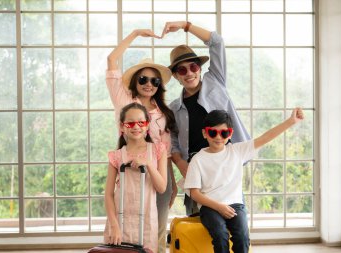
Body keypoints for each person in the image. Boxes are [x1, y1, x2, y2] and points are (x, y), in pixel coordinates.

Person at [184, 108, 304, 253]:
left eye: (224, 133)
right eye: (213, 132)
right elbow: (195, 193)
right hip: (210, 207)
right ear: (205, 133)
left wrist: (291, 121)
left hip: (235, 205)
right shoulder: (198, 160)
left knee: (242, 237)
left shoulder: (237, 151)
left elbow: (265, 138)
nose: (218, 137)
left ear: (230, 134)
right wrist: (219, 207)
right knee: (220, 235)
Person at [161, 21, 250, 215]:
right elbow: (172, 141)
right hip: (196, 168)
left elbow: (216, 42)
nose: (189, 73)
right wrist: (180, 163)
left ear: (199, 69)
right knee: (197, 223)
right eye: (182, 70)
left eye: (193, 67)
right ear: (176, 76)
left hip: (225, 163)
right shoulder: (174, 108)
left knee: (232, 222)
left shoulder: (215, 81)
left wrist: (186, 25)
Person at [106, 29, 178, 253]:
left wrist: (172, 183)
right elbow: (111, 60)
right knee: (128, 231)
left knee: (155, 233)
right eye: (143, 79)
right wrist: (135, 34)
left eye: (154, 80)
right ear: (135, 81)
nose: (149, 84)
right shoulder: (124, 101)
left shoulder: (164, 112)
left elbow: (165, 151)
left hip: (159, 174)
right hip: (131, 172)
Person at [104, 103, 168, 253]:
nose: (136, 127)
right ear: (122, 126)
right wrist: (114, 226)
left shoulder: (158, 150)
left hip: (146, 220)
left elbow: (161, 187)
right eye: (130, 123)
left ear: (147, 125)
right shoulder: (117, 155)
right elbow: (108, 194)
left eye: (141, 122)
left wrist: (148, 164)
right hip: (120, 220)